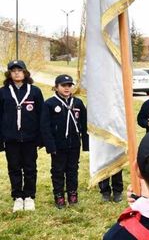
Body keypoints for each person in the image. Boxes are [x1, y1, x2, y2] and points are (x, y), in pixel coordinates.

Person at [0, 60, 46, 212]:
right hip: (11, 138)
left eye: (19, 70)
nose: (17, 73)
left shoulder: (34, 91)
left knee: (30, 167)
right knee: (14, 168)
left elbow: (42, 116)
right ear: (9, 74)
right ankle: (18, 197)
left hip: (30, 138)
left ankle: (29, 196)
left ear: (25, 72)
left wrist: (40, 138)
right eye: (13, 70)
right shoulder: (3, 92)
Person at [41, 75, 89, 209]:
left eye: (69, 85)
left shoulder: (78, 103)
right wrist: (50, 146)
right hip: (58, 145)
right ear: (56, 87)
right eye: (63, 85)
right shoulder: (50, 103)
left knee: (73, 169)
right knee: (58, 170)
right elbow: (45, 127)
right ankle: (59, 195)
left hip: (74, 143)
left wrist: (85, 144)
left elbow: (84, 124)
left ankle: (72, 193)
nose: (67, 88)